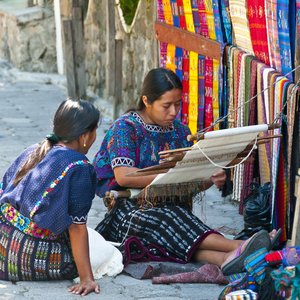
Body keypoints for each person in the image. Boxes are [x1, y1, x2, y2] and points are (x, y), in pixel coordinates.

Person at [93, 68, 278, 276]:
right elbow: (124, 175)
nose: (173, 111)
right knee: (166, 219)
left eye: (178, 104)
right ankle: (242, 245)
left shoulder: (181, 132)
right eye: (166, 105)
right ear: (146, 101)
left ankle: (226, 258)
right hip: (129, 211)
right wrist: (171, 177)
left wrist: (209, 177)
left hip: (174, 209)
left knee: (176, 221)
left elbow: (190, 181)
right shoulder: (126, 129)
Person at [0, 99, 100, 296]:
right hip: (32, 256)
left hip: (3, 247)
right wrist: (86, 278)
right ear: (85, 136)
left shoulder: (34, 150)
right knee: (105, 251)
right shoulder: (80, 167)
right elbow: (77, 228)